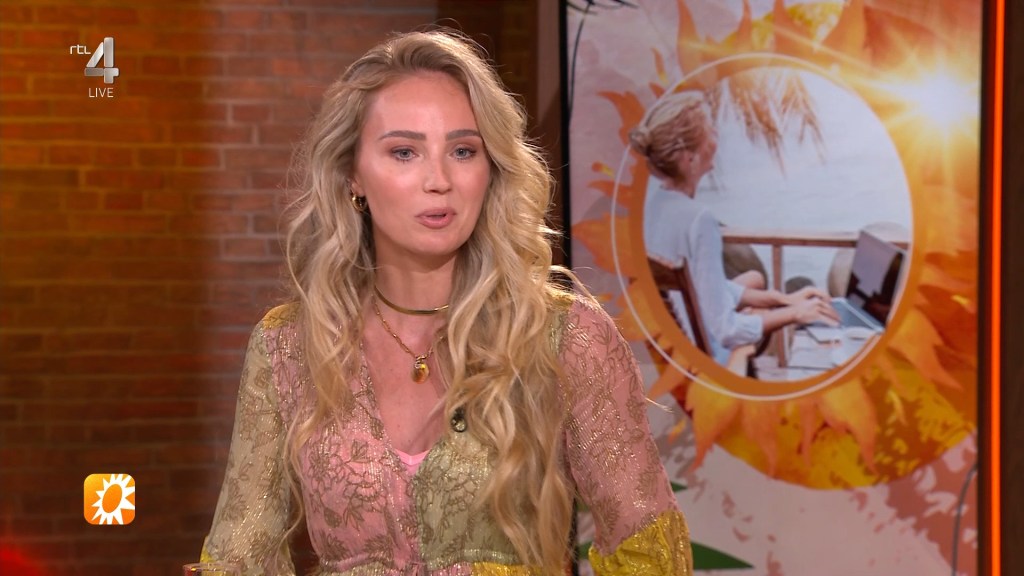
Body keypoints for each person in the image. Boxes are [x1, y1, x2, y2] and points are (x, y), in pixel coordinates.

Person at [200, 30, 691, 575]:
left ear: (491, 168)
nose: (439, 181)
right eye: (404, 152)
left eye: (462, 151)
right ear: (352, 176)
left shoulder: (564, 336)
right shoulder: (289, 345)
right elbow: (239, 557)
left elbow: (649, 548)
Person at [631, 90, 838, 366]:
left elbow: (701, 288)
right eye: (710, 131)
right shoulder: (699, 220)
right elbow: (726, 330)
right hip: (711, 357)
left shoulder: (655, 207)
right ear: (689, 158)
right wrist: (795, 313)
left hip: (678, 344)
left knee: (756, 285)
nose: (716, 137)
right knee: (767, 312)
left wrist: (779, 299)